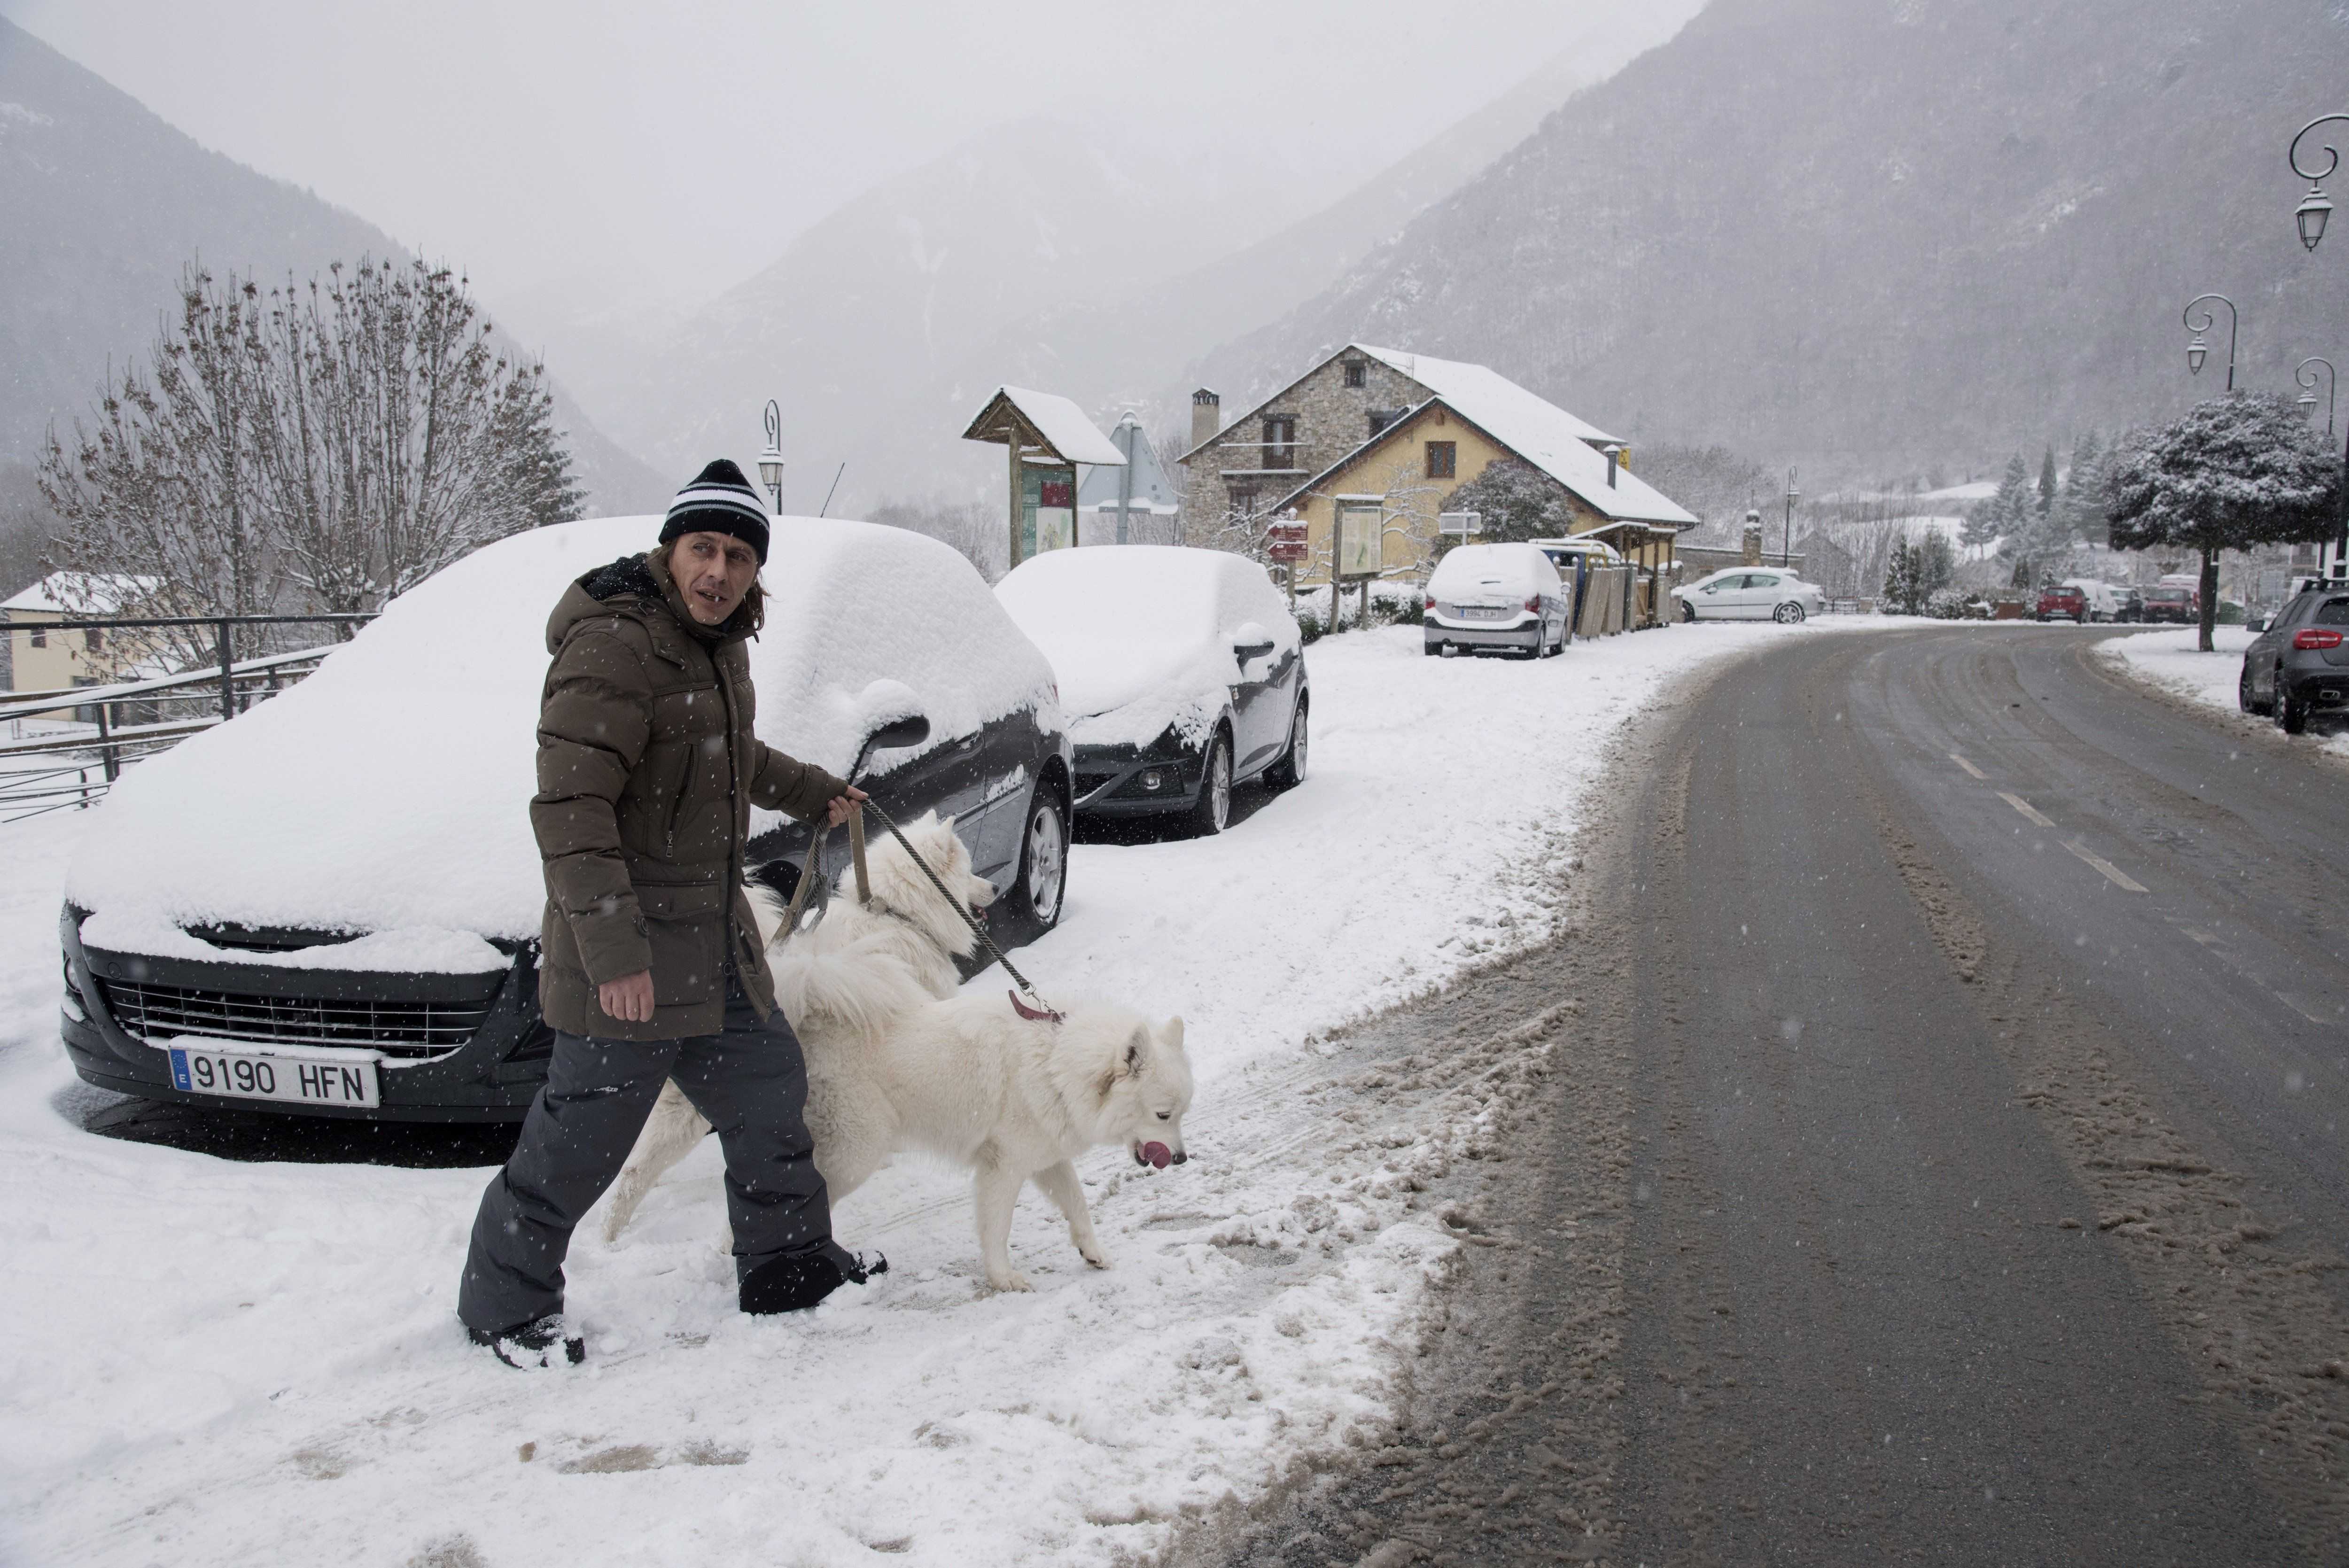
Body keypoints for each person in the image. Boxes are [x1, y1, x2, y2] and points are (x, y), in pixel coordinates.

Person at [457, 458, 875, 1369]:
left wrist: (812, 793)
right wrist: (614, 956)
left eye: (736, 554)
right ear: (670, 549)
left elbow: (727, 753)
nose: (718, 571)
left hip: (712, 944)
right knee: (579, 1143)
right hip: (632, 957)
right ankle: (503, 1310)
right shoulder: (613, 644)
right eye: (703, 549)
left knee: (770, 1100)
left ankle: (788, 1266)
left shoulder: (716, 643)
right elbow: (571, 812)